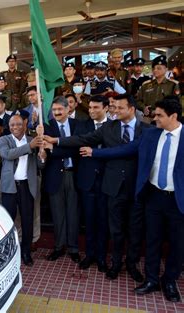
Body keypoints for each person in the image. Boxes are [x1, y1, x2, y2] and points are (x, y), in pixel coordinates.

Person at [82, 97, 183, 302]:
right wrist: (96, 152)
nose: (154, 118)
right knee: (152, 239)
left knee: (177, 243)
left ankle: (170, 281)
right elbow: (124, 149)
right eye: (154, 114)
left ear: (173, 116)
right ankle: (151, 279)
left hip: (177, 200)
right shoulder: (151, 134)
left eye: (159, 115)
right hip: (153, 196)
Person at [44, 94, 151, 282]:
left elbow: (128, 149)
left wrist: (96, 152)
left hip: (134, 187)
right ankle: (113, 262)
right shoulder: (109, 128)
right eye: (114, 107)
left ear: (132, 109)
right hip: (105, 185)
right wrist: (56, 141)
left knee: (133, 230)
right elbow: (80, 139)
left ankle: (131, 264)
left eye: (118, 108)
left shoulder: (147, 129)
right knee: (111, 227)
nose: (115, 111)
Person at [0, 112, 45, 266]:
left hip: (27, 185)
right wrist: (29, 147)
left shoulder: (33, 140)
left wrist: (42, 156)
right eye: (12, 125)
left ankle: (26, 252)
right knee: (8, 220)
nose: (15, 127)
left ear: (25, 125)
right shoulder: (4, 140)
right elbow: (8, 155)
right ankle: (8, 251)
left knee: (27, 220)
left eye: (18, 124)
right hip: (9, 186)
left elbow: (40, 166)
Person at [75, 95, 110, 272]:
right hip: (87, 180)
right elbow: (76, 145)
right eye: (90, 108)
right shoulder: (82, 125)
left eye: (96, 107)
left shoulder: (113, 127)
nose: (92, 111)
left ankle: (102, 257)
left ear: (106, 108)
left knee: (103, 221)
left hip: (106, 182)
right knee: (89, 220)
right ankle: (89, 255)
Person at [43, 96, 80, 263]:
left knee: (73, 212)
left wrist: (56, 147)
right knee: (58, 214)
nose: (56, 112)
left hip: (74, 174)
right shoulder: (46, 127)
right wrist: (62, 148)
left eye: (60, 109)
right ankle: (59, 247)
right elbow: (48, 151)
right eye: (54, 110)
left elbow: (77, 150)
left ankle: (73, 247)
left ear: (68, 109)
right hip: (55, 176)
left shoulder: (77, 125)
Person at [136, 55, 180, 122]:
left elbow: (176, 104)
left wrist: (160, 111)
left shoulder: (173, 85)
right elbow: (138, 101)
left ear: (166, 69)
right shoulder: (146, 85)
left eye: (159, 68)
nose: (155, 70)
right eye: (154, 68)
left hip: (165, 119)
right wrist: (143, 108)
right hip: (148, 119)